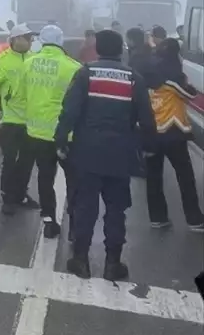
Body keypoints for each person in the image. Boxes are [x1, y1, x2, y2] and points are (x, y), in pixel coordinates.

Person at [56, 29, 155, 281]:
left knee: (85, 206)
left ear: (98, 49)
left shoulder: (86, 73)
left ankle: (80, 261)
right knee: (116, 209)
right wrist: (148, 147)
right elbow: (146, 118)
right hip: (120, 154)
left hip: (87, 152)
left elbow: (69, 111)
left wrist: (61, 140)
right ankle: (113, 264)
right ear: (121, 49)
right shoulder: (133, 78)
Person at [15, 25, 82, 239]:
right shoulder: (74, 67)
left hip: (37, 133)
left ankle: (49, 222)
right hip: (66, 135)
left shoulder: (28, 63)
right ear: (61, 41)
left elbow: (20, 96)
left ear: (41, 41)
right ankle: (75, 226)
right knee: (74, 181)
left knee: (45, 179)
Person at [143, 38, 204, 231]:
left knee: (153, 177)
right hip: (173, 131)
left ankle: (157, 217)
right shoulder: (172, 79)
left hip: (151, 132)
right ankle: (194, 219)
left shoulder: (146, 75)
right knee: (185, 177)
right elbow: (191, 95)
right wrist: (186, 81)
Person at [0, 23, 40, 213]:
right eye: (27, 38)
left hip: (30, 121)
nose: (30, 41)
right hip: (10, 120)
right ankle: (8, 198)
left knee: (27, 161)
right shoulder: (1, 61)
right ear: (15, 39)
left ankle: (21, 194)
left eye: (31, 38)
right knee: (10, 160)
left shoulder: (35, 59)